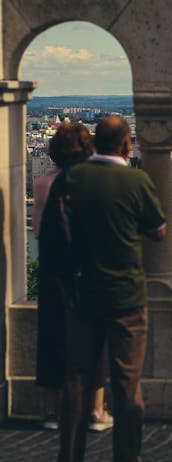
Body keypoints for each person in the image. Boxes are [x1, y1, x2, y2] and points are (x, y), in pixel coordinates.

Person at [53, 116, 166, 462]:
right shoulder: (136, 180)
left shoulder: (73, 179)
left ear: (95, 144)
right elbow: (158, 230)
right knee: (126, 384)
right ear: (126, 146)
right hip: (126, 297)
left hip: (84, 294)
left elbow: (58, 232)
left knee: (77, 379)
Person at [34, 122, 113, 432]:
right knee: (94, 343)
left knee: (51, 340)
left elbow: (38, 230)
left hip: (53, 273)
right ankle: (95, 411)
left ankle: (50, 412)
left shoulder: (42, 183)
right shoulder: (94, 182)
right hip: (88, 273)